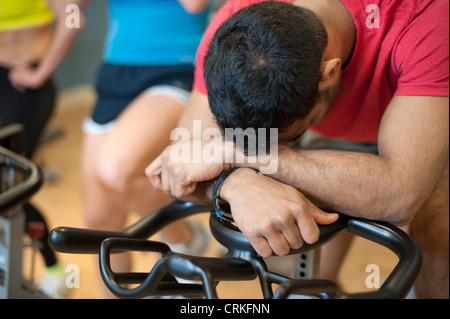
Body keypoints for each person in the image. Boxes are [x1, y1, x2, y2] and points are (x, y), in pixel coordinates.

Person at [146, 0, 449, 298]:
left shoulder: (426, 19)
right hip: (336, 124)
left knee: (438, 238)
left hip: (429, 120)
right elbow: (182, 161)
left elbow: (399, 195)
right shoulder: (236, 29)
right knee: (312, 281)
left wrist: (239, 153)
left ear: (328, 73)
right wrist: (237, 184)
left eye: (278, 138)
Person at [80, 0, 210, 297]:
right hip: (116, 68)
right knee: (100, 225)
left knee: (115, 169)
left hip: (176, 66)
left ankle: (184, 240)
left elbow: (195, 5)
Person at [0, 0, 88, 298]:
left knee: (11, 187)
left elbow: (74, 20)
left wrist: (40, 75)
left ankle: (54, 270)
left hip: (25, 86)